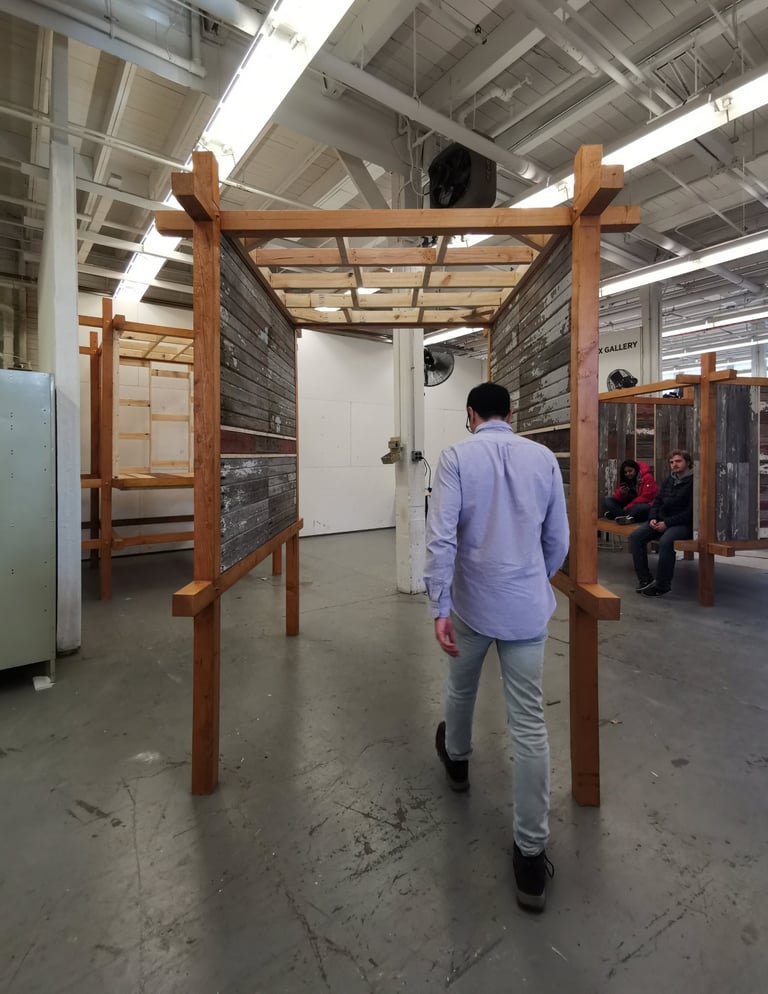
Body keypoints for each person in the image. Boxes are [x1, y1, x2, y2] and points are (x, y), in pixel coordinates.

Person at [424, 382, 569, 912]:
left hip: (472, 605)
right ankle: (530, 857)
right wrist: (536, 579)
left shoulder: (456, 458)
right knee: (529, 725)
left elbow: (441, 535)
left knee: (460, 689)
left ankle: (458, 763)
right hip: (527, 608)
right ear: (513, 413)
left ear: (470, 415)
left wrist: (440, 604)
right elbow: (558, 537)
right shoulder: (542, 459)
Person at [631, 449, 694, 597]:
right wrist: (652, 518)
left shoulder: (694, 482)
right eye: (672, 462)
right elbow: (657, 501)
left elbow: (691, 512)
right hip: (662, 520)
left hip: (683, 524)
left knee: (666, 541)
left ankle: (662, 585)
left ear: (688, 463)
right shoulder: (669, 479)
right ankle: (645, 579)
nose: (674, 465)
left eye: (678, 461)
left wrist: (667, 524)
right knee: (636, 536)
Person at [602, 458, 658, 523]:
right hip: (629, 505)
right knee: (608, 501)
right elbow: (616, 497)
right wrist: (621, 493)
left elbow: (646, 497)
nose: (628, 474)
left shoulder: (647, 477)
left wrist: (628, 507)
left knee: (639, 508)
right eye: (625, 472)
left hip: (643, 504)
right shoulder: (625, 479)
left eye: (630, 471)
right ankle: (624, 517)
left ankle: (618, 515)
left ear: (636, 470)